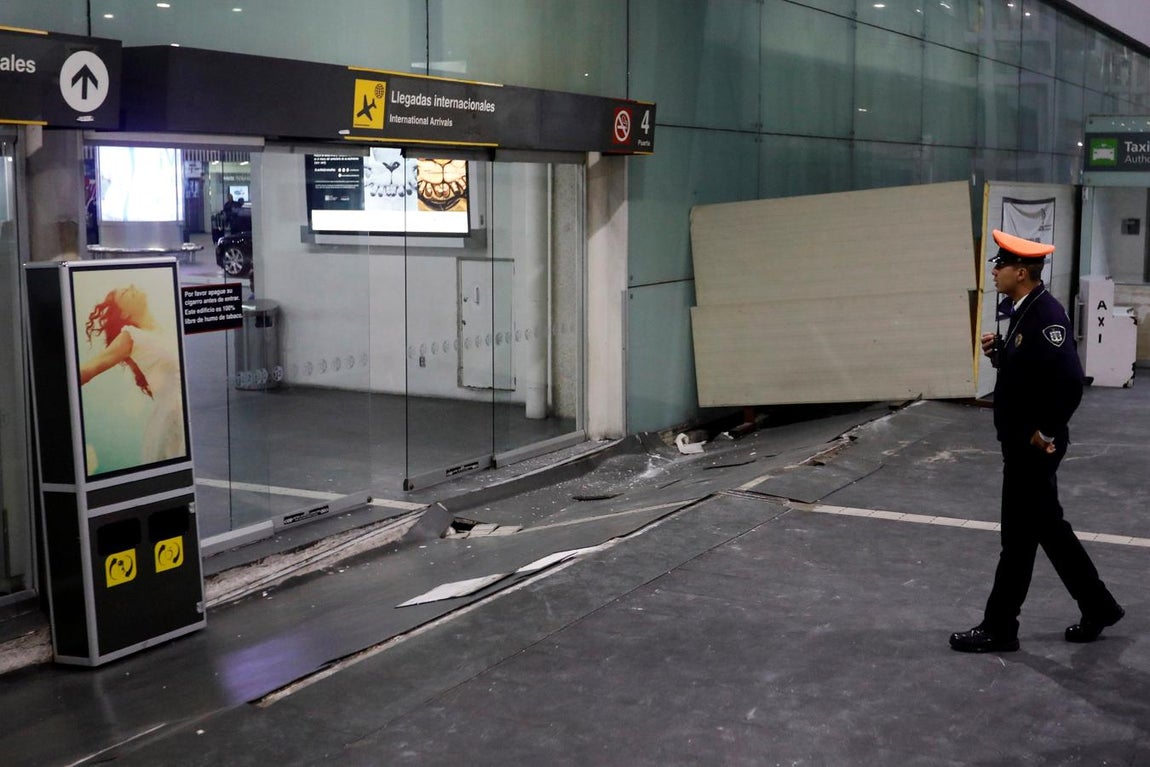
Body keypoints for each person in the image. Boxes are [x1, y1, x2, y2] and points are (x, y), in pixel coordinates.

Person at [950, 229, 1124, 653]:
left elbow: (1068, 384)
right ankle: (1097, 605)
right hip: (1023, 446)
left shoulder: (1046, 315)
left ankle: (1000, 626)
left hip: (1033, 450)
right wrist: (1001, 354)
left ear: (1021, 272)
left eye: (1001, 265)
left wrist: (1045, 432)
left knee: (1018, 539)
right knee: (1048, 531)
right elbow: (1032, 373)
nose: (994, 271)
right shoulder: (1024, 309)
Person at [80, 284, 186, 464]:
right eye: (126, 294)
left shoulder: (165, 329)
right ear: (124, 314)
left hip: (179, 416)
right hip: (170, 423)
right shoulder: (131, 336)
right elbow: (90, 369)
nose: (132, 288)